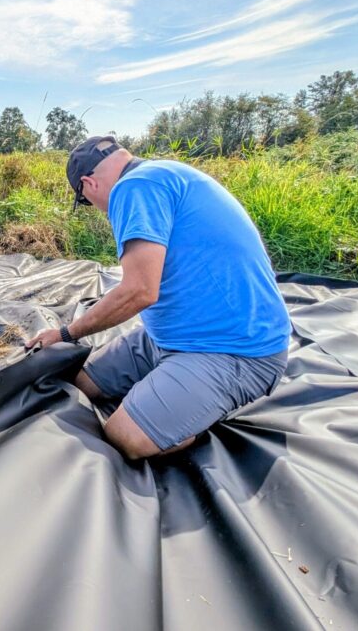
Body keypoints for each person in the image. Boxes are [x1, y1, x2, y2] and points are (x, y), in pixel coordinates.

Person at [25, 136, 290, 460]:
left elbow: (139, 290)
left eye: (85, 202)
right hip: (171, 335)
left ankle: (190, 416)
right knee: (82, 384)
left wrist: (66, 333)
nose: (96, 209)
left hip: (234, 350)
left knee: (125, 437)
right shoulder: (159, 174)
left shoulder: (133, 188)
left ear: (87, 184)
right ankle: (168, 398)